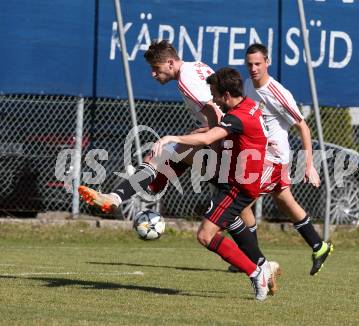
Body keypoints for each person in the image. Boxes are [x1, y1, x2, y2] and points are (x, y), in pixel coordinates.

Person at [152, 67, 275, 300]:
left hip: (238, 187)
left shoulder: (237, 117)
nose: (214, 101)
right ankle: (260, 263)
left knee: (205, 235)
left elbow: (209, 137)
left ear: (227, 95)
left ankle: (256, 271)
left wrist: (171, 138)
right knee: (233, 222)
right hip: (241, 180)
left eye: (215, 95)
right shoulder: (249, 106)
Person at [79, 40, 223, 212]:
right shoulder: (197, 66)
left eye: (156, 68)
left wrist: (214, 148)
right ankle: (128, 193)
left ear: (170, 63)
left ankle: (127, 193)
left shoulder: (186, 79)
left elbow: (215, 113)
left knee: (161, 153)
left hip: (222, 140)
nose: (153, 74)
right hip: (220, 136)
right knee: (165, 155)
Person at [231, 43, 333, 276]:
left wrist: (309, 165)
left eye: (258, 64)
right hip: (260, 156)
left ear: (267, 62)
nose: (254, 68)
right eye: (249, 64)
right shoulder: (247, 85)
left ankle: (252, 258)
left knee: (241, 202)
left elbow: (303, 127)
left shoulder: (278, 92)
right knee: (284, 200)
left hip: (274, 158)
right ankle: (319, 246)